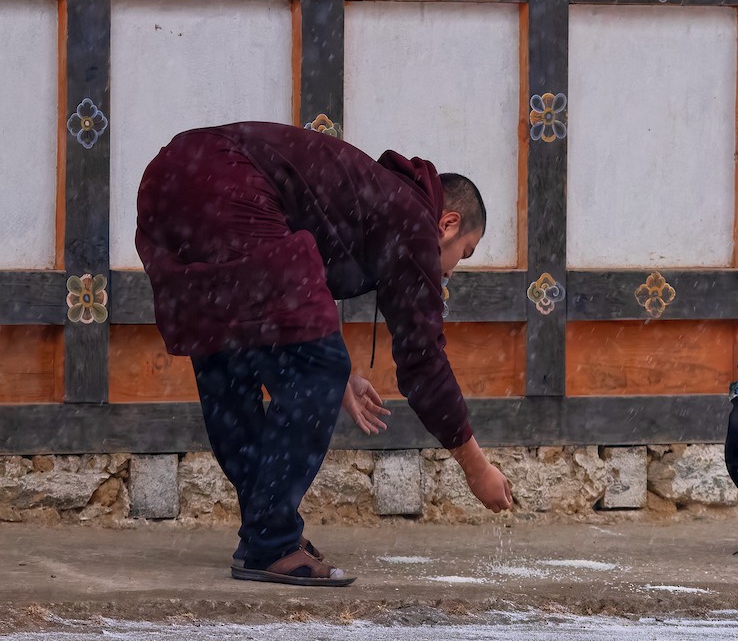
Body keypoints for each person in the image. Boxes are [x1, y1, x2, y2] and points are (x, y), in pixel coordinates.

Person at [135, 121, 512, 586]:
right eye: (464, 253)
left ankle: (265, 536)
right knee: (319, 368)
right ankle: (269, 542)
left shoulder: (380, 196)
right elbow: (422, 361)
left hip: (171, 177)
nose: (451, 272)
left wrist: (340, 367)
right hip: (228, 180)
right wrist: (476, 469)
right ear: (448, 223)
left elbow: (297, 294)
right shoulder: (415, 220)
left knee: (230, 356)